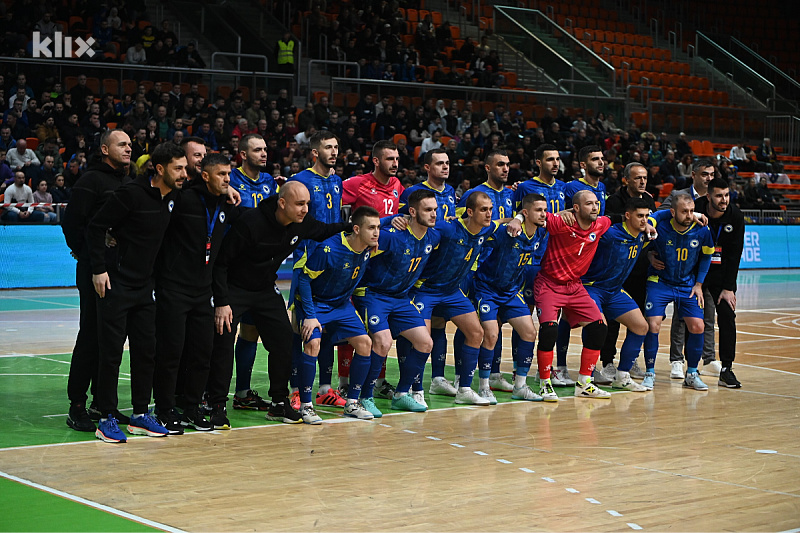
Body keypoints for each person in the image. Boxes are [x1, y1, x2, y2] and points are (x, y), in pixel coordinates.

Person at [210, 181, 351, 425]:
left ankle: (278, 403)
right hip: (235, 288)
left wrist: (358, 226)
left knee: (284, 340)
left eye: (307, 203)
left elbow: (326, 230)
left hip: (264, 289)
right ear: (282, 203)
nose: (305, 209)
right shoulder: (251, 223)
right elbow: (220, 263)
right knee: (223, 342)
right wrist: (222, 302)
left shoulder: (301, 224)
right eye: (300, 204)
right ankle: (216, 404)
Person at [88, 142, 187, 443]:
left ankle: (141, 415)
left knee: (146, 352)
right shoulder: (131, 193)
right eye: (178, 168)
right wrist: (98, 269)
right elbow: (95, 226)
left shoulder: (173, 198)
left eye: (185, 167)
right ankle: (105, 417)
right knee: (111, 354)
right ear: (160, 169)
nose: (184, 174)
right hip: (116, 284)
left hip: (146, 287)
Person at [152, 153, 242, 433]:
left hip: (203, 292)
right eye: (221, 175)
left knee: (203, 353)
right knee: (171, 353)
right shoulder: (184, 199)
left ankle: (192, 408)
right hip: (174, 289)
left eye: (229, 175)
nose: (227, 179)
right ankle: (165, 409)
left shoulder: (226, 204)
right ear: (205, 175)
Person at [407, 191, 520, 406]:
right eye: (483, 210)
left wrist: (518, 219)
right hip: (425, 290)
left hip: (452, 291)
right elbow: (420, 231)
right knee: (423, 340)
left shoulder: (486, 228)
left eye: (490, 210)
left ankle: (465, 389)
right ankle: (416, 390)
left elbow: (500, 221)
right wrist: (402, 218)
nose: (488, 214)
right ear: (470, 212)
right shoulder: (447, 228)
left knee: (476, 332)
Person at [61, 130, 133, 432]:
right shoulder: (91, 180)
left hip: (122, 273)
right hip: (95, 271)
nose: (129, 148)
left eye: (130, 144)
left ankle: (103, 404)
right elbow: (72, 221)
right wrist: (87, 255)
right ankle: (77, 403)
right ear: (105, 149)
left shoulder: (129, 182)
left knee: (113, 340)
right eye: (122, 144)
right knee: (91, 335)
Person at [352, 190, 439, 415]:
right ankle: (365, 396)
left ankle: (401, 395)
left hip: (401, 299)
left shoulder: (433, 237)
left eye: (435, 210)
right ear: (412, 212)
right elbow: (360, 233)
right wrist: (388, 219)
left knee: (425, 343)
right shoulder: (392, 235)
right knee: (382, 342)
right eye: (428, 210)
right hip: (374, 295)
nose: (433, 214)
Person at [291, 206, 380, 423]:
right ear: (356, 229)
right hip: (315, 304)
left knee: (365, 343)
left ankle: (352, 403)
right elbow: (303, 280)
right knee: (313, 345)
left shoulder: (368, 247)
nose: (377, 232)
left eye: (378, 227)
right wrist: (310, 316)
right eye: (372, 228)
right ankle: (305, 405)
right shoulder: (328, 249)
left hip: (341, 305)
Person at [337, 140, 405, 398]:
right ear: (376, 161)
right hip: (358, 263)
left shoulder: (398, 187)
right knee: (351, 323)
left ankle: (378, 381)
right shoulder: (357, 183)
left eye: (397, 159)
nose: (395, 163)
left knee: (380, 326)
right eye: (389, 159)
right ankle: (344, 383)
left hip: (385, 267)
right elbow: (332, 199)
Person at [471, 193, 554, 401]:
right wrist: (515, 219)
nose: (544, 214)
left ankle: (520, 386)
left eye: (545, 210)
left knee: (529, 332)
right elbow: (480, 230)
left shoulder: (541, 232)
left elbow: (565, 215)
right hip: (487, 289)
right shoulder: (506, 232)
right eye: (538, 210)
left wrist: (519, 217)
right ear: (526, 213)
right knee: (490, 334)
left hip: (511, 291)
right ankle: (483, 386)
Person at [533, 190, 614, 399]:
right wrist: (517, 218)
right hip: (550, 284)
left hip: (575, 287)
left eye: (596, 203)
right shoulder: (561, 223)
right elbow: (534, 215)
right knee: (549, 330)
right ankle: (545, 382)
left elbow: (622, 217)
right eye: (589, 204)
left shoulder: (601, 224)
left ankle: (584, 383)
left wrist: (650, 224)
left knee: (599, 328)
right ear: (576, 208)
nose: (595, 207)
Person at [286, 131, 347, 409]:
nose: (333, 152)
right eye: (327, 147)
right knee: (302, 330)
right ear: (314, 152)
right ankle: (297, 390)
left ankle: (325, 388)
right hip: (306, 261)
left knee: (329, 327)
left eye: (336, 147)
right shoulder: (300, 181)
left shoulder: (336, 180)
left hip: (333, 262)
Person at [674, 178, 745, 388]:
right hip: (695, 272)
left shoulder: (736, 216)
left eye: (726, 195)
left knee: (726, 315)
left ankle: (727, 369)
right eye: (719, 196)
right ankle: (690, 369)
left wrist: (729, 288)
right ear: (708, 197)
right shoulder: (695, 212)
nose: (724, 200)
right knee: (690, 318)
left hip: (721, 275)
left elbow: (735, 255)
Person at [577, 197, 653, 391]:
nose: (644, 220)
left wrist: (695, 214)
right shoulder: (610, 234)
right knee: (598, 326)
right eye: (640, 216)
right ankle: (586, 376)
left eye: (646, 216)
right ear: (627, 216)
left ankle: (622, 376)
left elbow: (662, 215)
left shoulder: (642, 234)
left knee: (641, 326)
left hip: (614, 291)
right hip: (592, 287)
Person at [455, 149, 516, 392]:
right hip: (475, 266)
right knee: (468, 321)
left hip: (502, 268)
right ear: (488, 168)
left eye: (508, 164)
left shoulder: (512, 194)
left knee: (496, 322)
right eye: (500, 164)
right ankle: (461, 374)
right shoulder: (473, 194)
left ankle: (494, 373)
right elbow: (460, 224)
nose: (505, 168)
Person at [226, 134, 278, 411]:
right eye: (257, 150)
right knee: (223, 331)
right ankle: (208, 392)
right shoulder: (230, 180)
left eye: (265, 149)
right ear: (242, 154)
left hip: (261, 267)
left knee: (252, 330)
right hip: (233, 266)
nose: (263, 153)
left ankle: (243, 392)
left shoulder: (269, 182)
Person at [643, 193, 714, 391]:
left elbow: (707, 257)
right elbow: (652, 219)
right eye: (684, 211)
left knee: (698, 326)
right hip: (660, 281)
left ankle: (691, 373)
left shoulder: (702, 230)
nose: (689, 215)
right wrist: (649, 255)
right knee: (652, 324)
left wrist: (698, 284)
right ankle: (649, 372)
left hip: (687, 285)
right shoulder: (661, 225)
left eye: (692, 211)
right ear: (673, 212)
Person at [596, 162, 656, 381]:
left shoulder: (649, 201)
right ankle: (607, 362)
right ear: (626, 180)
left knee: (638, 319)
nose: (642, 181)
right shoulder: (613, 201)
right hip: (612, 272)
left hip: (639, 269)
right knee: (609, 323)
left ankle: (629, 363)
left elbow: (657, 224)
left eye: (645, 178)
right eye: (638, 178)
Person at [657, 159, 716, 377]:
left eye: (711, 174)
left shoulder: (716, 196)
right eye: (704, 174)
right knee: (680, 318)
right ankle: (676, 360)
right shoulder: (678, 194)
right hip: (676, 268)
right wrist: (696, 215)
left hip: (703, 265)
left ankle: (709, 360)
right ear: (694, 175)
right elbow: (661, 215)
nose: (708, 178)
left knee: (707, 317)